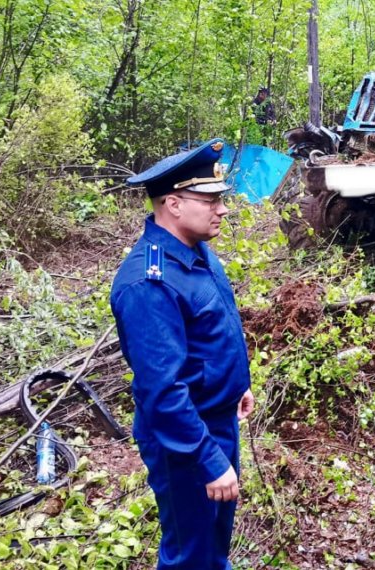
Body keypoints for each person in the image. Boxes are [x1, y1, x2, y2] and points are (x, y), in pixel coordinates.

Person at [110, 138, 255, 570]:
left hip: (217, 419)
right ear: (173, 204)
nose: (222, 209)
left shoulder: (195, 252)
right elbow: (162, 390)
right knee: (190, 554)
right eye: (210, 199)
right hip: (186, 439)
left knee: (212, 543)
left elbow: (213, 328)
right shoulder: (147, 282)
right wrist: (208, 459)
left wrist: (236, 386)